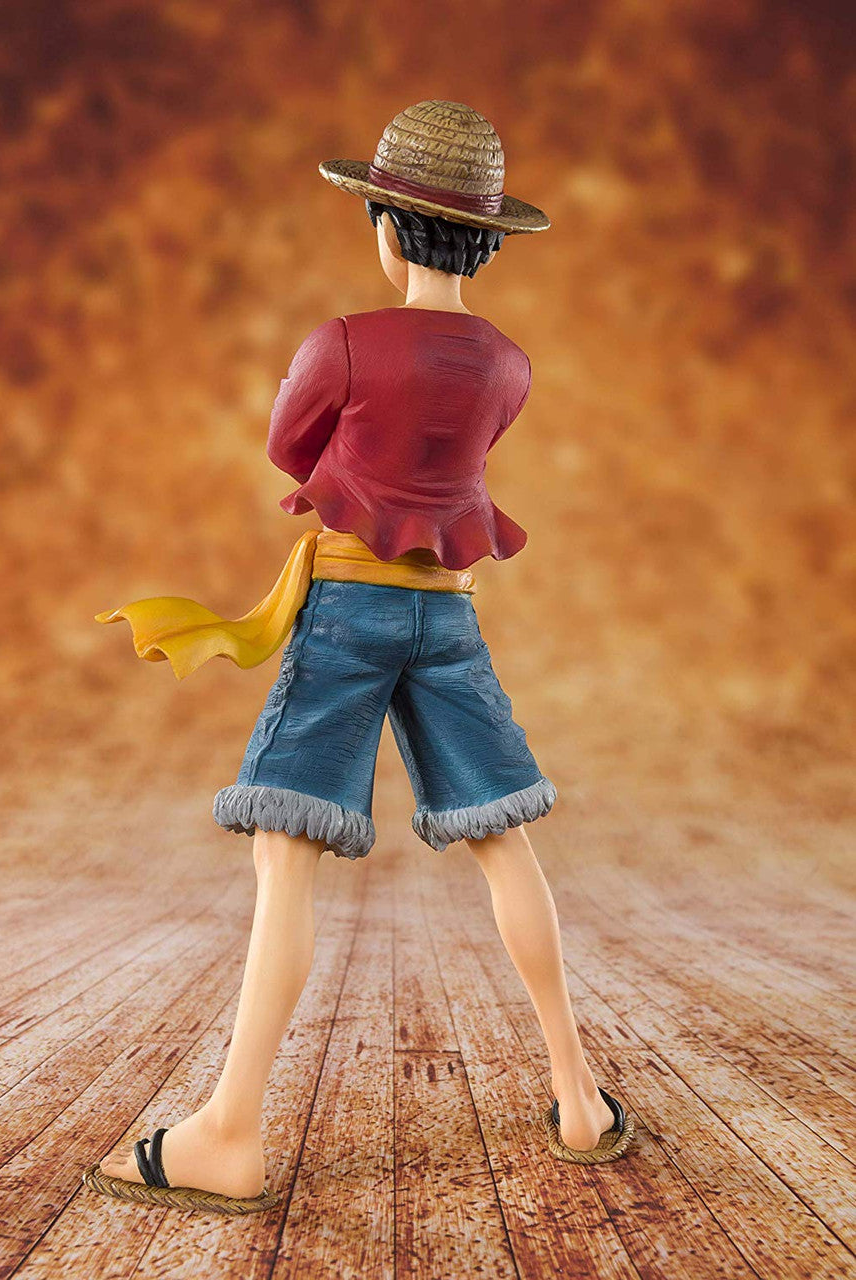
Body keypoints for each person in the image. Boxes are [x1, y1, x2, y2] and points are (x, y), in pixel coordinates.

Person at [84, 99, 634, 1217]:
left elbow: (290, 444)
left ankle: (230, 1130)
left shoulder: (339, 342)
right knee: (504, 839)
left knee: (285, 854)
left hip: (344, 612)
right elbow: (462, 459)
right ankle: (580, 1098)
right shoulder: (509, 365)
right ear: (486, 241)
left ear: (386, 227)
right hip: (449, 620)